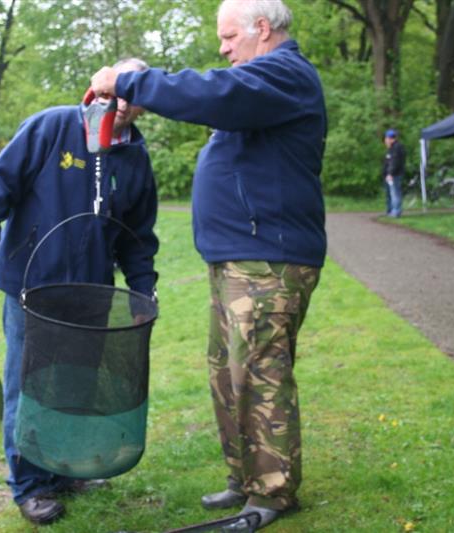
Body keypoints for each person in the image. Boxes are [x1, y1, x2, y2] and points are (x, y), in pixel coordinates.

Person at [91, 1, 325, 529]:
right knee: (227, 374)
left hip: (268, 260)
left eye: (228, 37)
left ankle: (273, 491)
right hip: (237, 259)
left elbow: (215, 94)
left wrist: (128, 80)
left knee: (258, 373)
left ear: (262, 29)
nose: (222, 49)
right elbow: (220, 100)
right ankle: (244, 478)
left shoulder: (284, 74)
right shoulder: (262, 86)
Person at [0, 57, 158, 525]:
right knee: (29, 386)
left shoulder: (135, 159)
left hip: (91, 292)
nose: (123, 103)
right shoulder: (51, 127)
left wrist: (143, 292)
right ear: (99, 89)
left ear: (145, 104)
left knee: (76, 387)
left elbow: (137, 237)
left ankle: (64, 468)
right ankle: (29, 485)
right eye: (116, 91)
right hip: (32, 287)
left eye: (134, 94)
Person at [383, 129, 406, 217]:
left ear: (391, 139)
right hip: (390, 175)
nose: (385, 140)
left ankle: (396, 211)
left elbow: (394, 162)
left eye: (386, 138)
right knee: (390, 193)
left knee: (395, 193)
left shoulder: (397, 148)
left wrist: (390, 173)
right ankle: (390, 210)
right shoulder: (391, 148)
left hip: (394, 175)